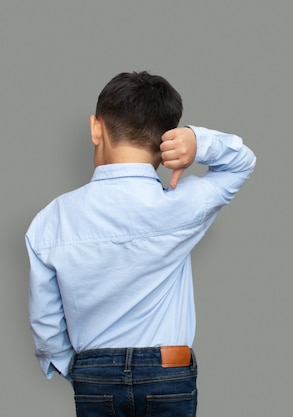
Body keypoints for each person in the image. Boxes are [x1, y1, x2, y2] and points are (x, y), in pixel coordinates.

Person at [26, 71, 256, 417]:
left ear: (95, 128)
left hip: (93, 372)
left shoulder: (50, 220)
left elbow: (45, 323)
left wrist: (76, 369)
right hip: (168, 368)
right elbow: (241, 163)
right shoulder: (180, 206)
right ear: (167, 141)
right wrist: (197, 142)